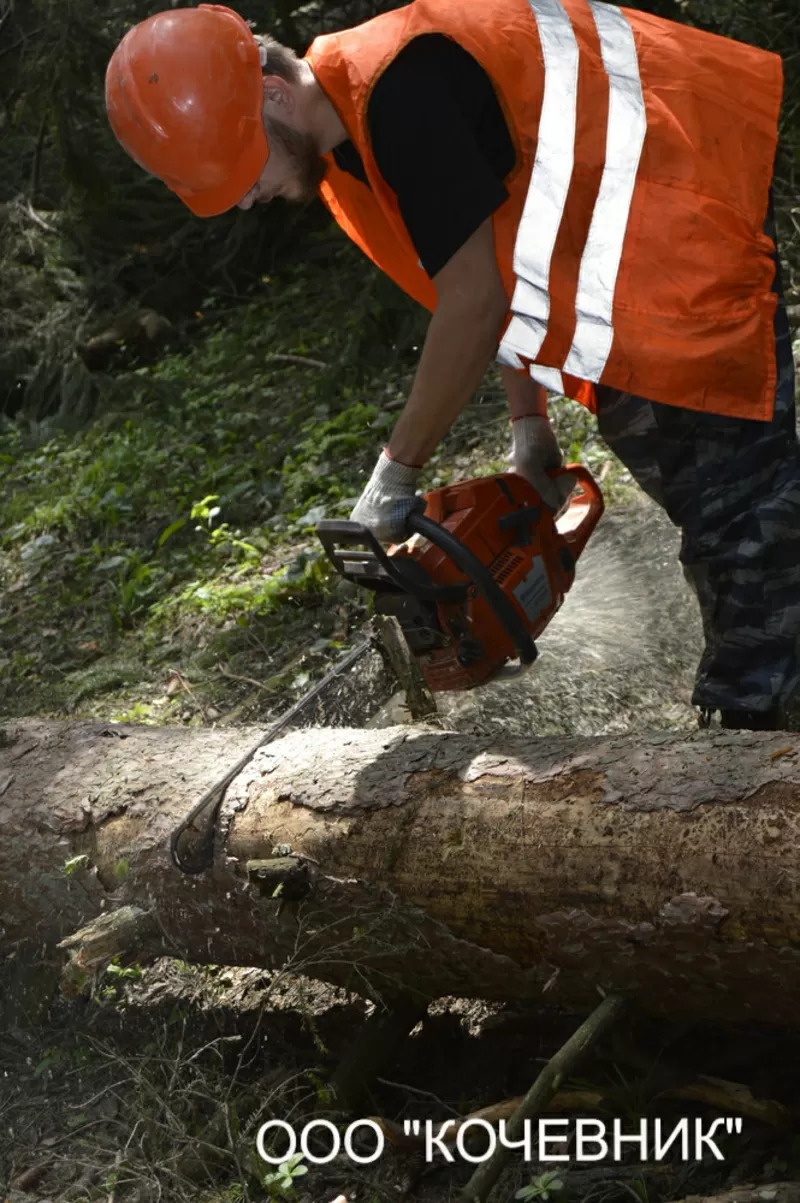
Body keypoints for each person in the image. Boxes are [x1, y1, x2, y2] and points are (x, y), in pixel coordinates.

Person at [104, 0, 799, 731]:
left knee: (746, 520)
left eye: (243, 168)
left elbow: (473, 301)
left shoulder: (403, 91)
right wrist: (531, 427)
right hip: (632, 262)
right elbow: (499, 259)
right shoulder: (353, 142)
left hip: (677, 216)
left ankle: (751, 737)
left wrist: (396, 472)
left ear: (272, 93)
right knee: (720, 506)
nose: (246, 198)